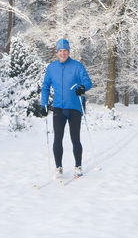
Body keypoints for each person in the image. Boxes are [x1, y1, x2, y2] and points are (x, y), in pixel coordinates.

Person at [41, 38, 92, 179]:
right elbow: (45, 87)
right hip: (58, 108)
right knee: (57, 138)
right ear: (57, 52)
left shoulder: (77, 66)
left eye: (65, 51)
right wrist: (43, 104)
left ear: (69, 52)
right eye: (60, 51)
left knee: (75, 138)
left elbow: (87, 82)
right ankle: (58, 167)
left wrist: (82, 87)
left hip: (75, 108)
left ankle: (78, 166)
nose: (63, 53)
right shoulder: (51, 68)